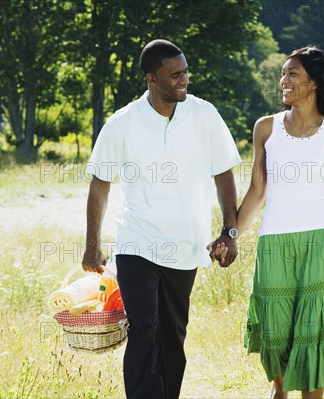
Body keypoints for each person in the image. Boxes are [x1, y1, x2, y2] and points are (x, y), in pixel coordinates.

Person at [212, 46, 324, 398]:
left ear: (314, 83)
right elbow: (257, 191)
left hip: (320, 244)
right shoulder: (266, 128)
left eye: (292, 74)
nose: (283, 80)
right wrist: (229, 235)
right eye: (283, 73)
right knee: (279, 348)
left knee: (313, 344)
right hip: (274, 244)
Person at [81, 39, 241, 399]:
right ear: (151, 78)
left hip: (186, 245)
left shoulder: (205, 115)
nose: (184, 80)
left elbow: (224, 173)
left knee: (172, 333)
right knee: (144, 326)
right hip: (137, 241)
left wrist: (228, 232)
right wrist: (92, 245)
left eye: (185, 72)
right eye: (175, 75)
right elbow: (100, 184)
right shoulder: (121, 123)